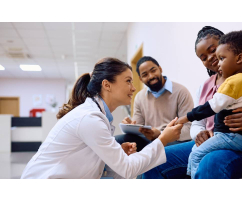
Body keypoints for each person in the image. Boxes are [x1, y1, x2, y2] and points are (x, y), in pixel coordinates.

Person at [143, 26, 242, 179]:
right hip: (213, 141)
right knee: (154, 159)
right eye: (203, 57)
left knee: (210, 163)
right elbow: (197, 124)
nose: (210, 57)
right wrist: (198, 135)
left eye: (212, 49)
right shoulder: (204, 87)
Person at [21, 58, 183, 179]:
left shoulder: (96, 116)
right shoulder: (90, 118)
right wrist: (162, 140)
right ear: (107, 85)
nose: (133, 88)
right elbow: (127, 169)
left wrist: (116, 153)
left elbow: (93, 163)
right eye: (128, 81)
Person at [176, 30, 242, 178]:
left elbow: (212, 107)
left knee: (197, 156)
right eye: (203, 58)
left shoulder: (235, 81)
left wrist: (186, 118)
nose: (213, 59)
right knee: (161, 158)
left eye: (219, 55)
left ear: (239, 57)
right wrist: (199, 134)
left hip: (230, 137)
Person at [115, 56, 194, 152]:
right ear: (140, 79)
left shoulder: (181, 91)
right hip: (149, 141)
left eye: (153, 70)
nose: (151, 76)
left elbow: (189, 129)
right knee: (117, 141)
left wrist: (161, 134)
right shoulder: (140, 97)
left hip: (174, 141)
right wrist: (130, 126)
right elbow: (138, 129)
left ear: (160, 69)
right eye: (145, 75)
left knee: (158, 150)